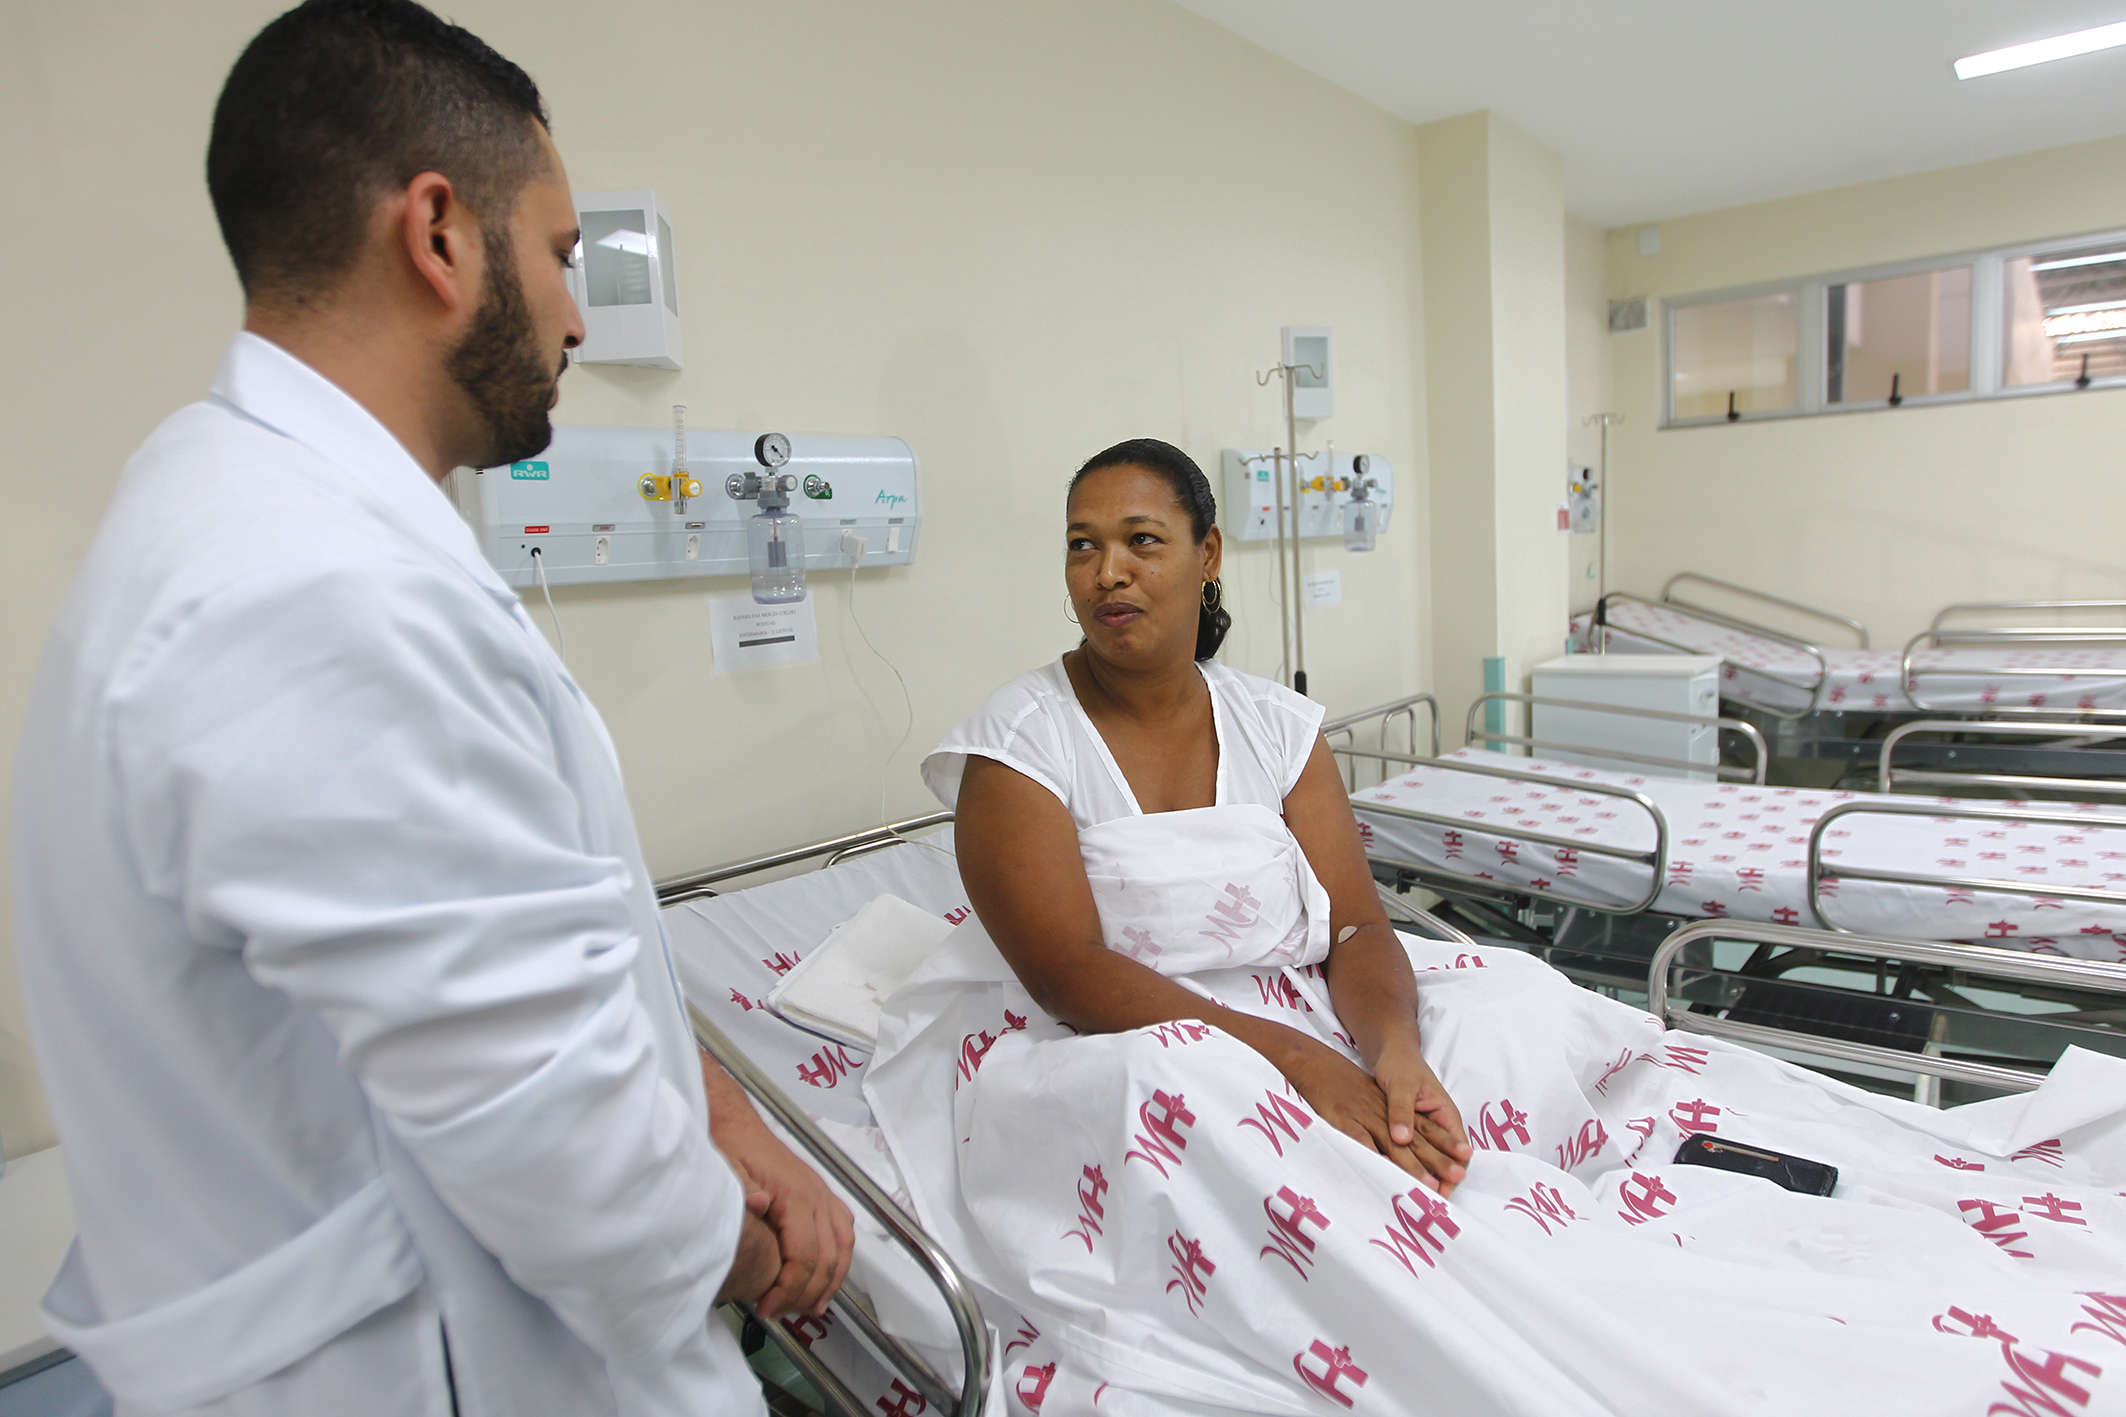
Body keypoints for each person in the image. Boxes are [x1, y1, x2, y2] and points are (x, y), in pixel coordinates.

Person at [862, 438, 2126, 1415]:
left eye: (1138, 539)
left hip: (1295, 998)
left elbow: (1356, 926)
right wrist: (1299, 1061)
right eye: (1080, 546)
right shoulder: (1017, 747)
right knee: (1196, 1084)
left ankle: (1548, 1205)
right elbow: (1073, 974)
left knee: (1510, 997)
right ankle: (1458, 1296)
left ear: (1207, 555)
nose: (1106, 572)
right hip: (1122, 1036)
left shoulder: (1272, 727)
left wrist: (1391, 1055)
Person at [9, 4, 848, 1413]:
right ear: (441, 233)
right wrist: (749, 1256)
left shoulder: (241, 506)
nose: (579, 313)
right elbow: (557, 1146)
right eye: (563, 256)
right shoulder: (313, 591)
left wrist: (706, 1100)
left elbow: (525, 957)